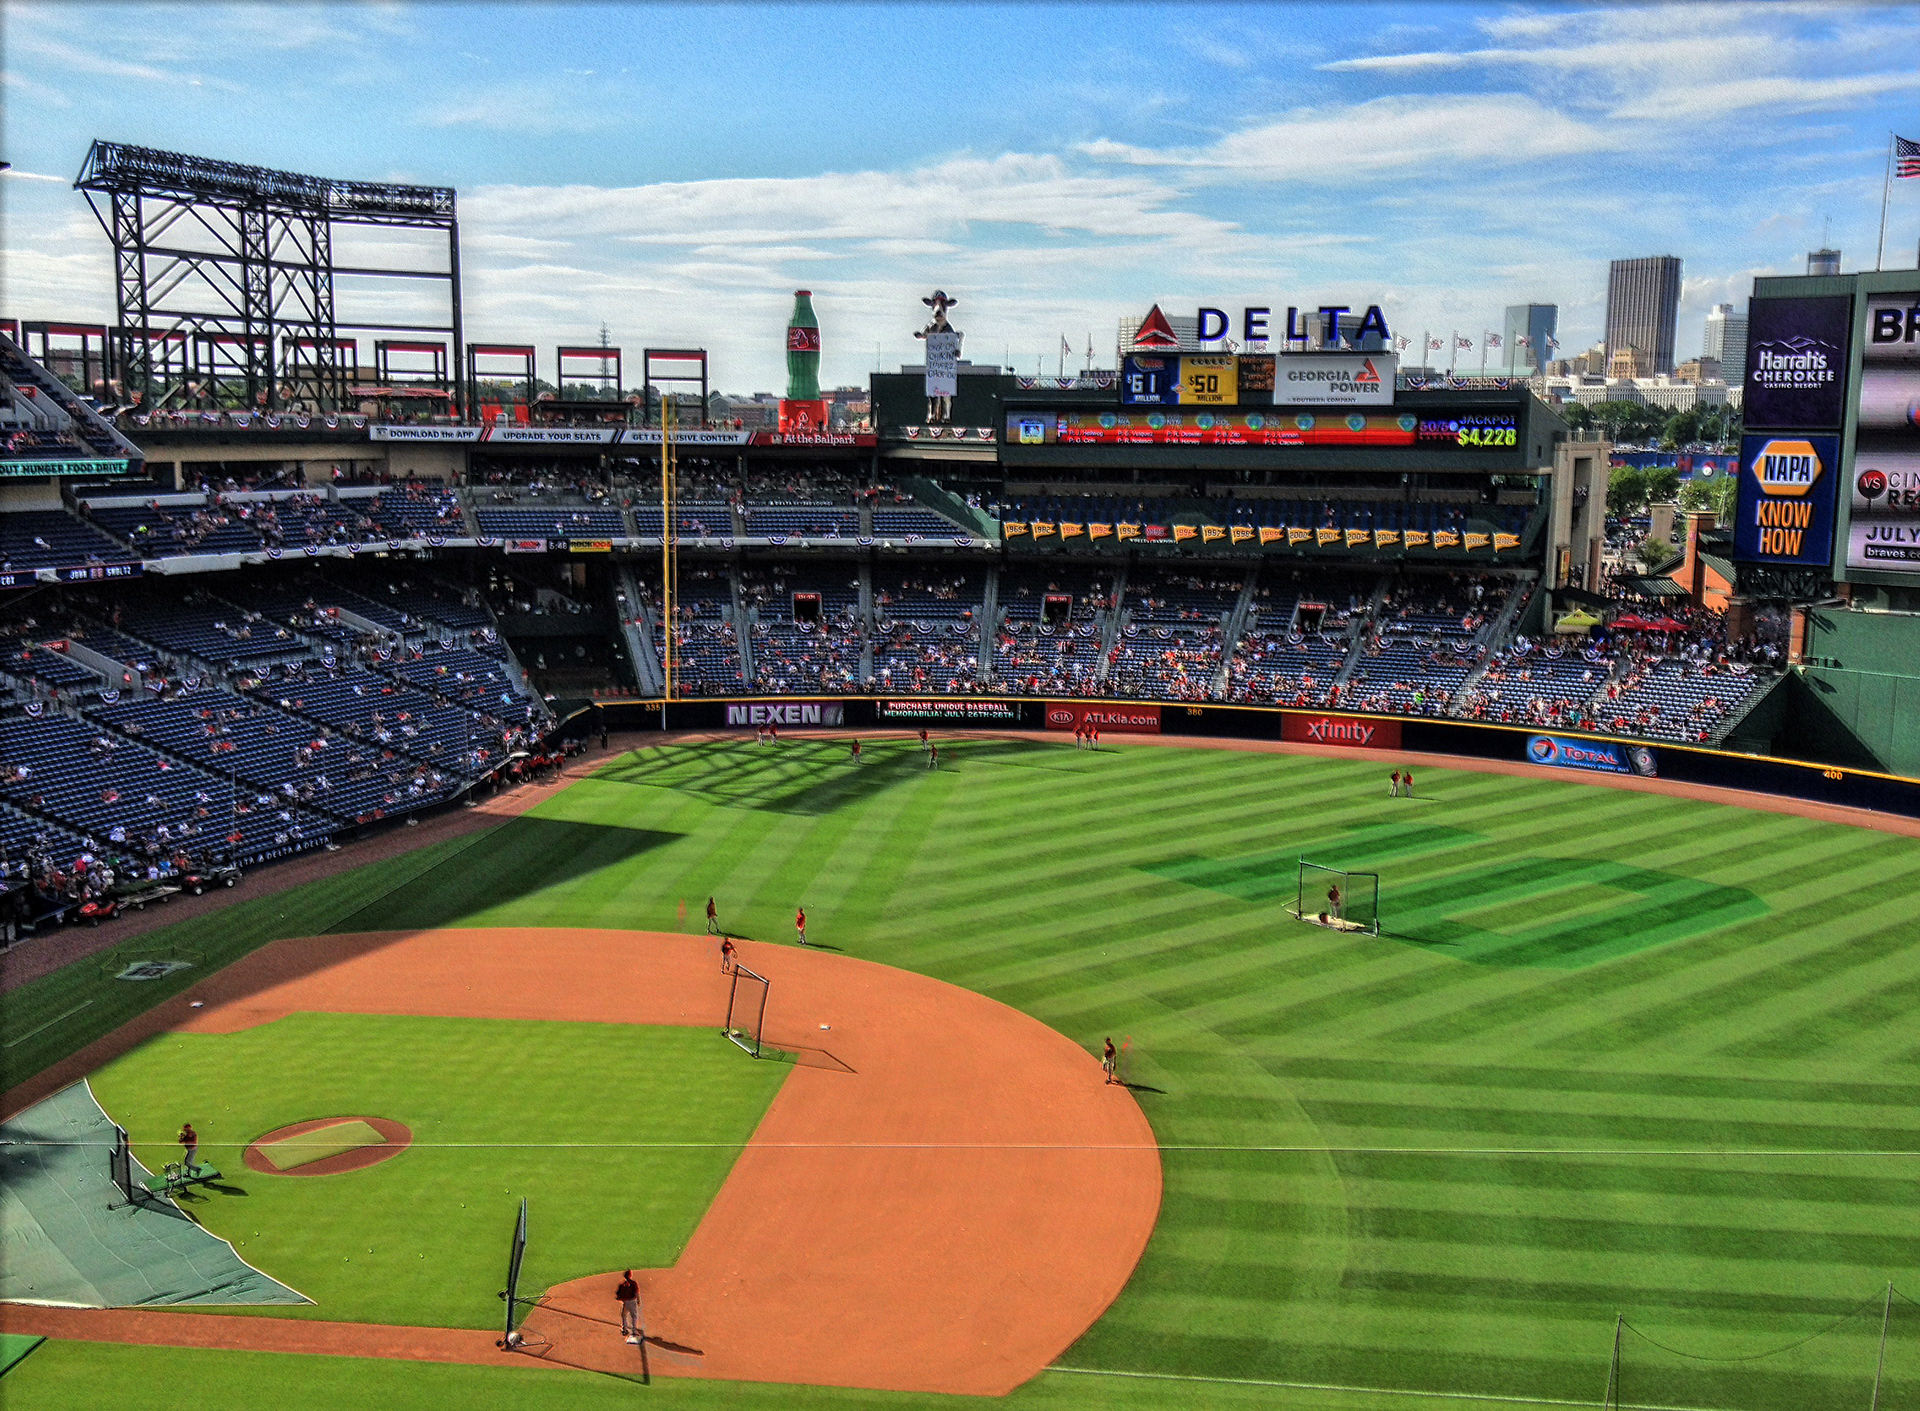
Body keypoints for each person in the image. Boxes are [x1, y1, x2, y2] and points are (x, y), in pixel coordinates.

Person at [615, 1270, 642, 1342]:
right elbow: (636, 1293)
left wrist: (622, 1299)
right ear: (630, 1275)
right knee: (634, 1316)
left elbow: (617, 1296)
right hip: (633, 1302)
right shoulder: (634, 1283)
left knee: (624, 1315)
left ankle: (624, 1329)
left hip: (626, 1303)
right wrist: (638, 1300)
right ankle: (634, 1332)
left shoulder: (622, 1285)